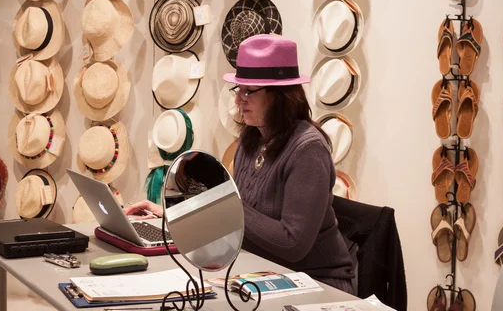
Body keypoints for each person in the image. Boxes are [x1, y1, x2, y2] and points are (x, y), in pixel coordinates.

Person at [125, 34, 355, 293]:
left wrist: (224, 203)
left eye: (249, 91)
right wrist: (175, 214)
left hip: (316, 283)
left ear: (281, 95)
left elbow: (292, 244)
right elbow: (239, 221)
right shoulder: (252, 138)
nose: (238, 100)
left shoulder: (308, 150)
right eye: (239, 89)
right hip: (259, 273)